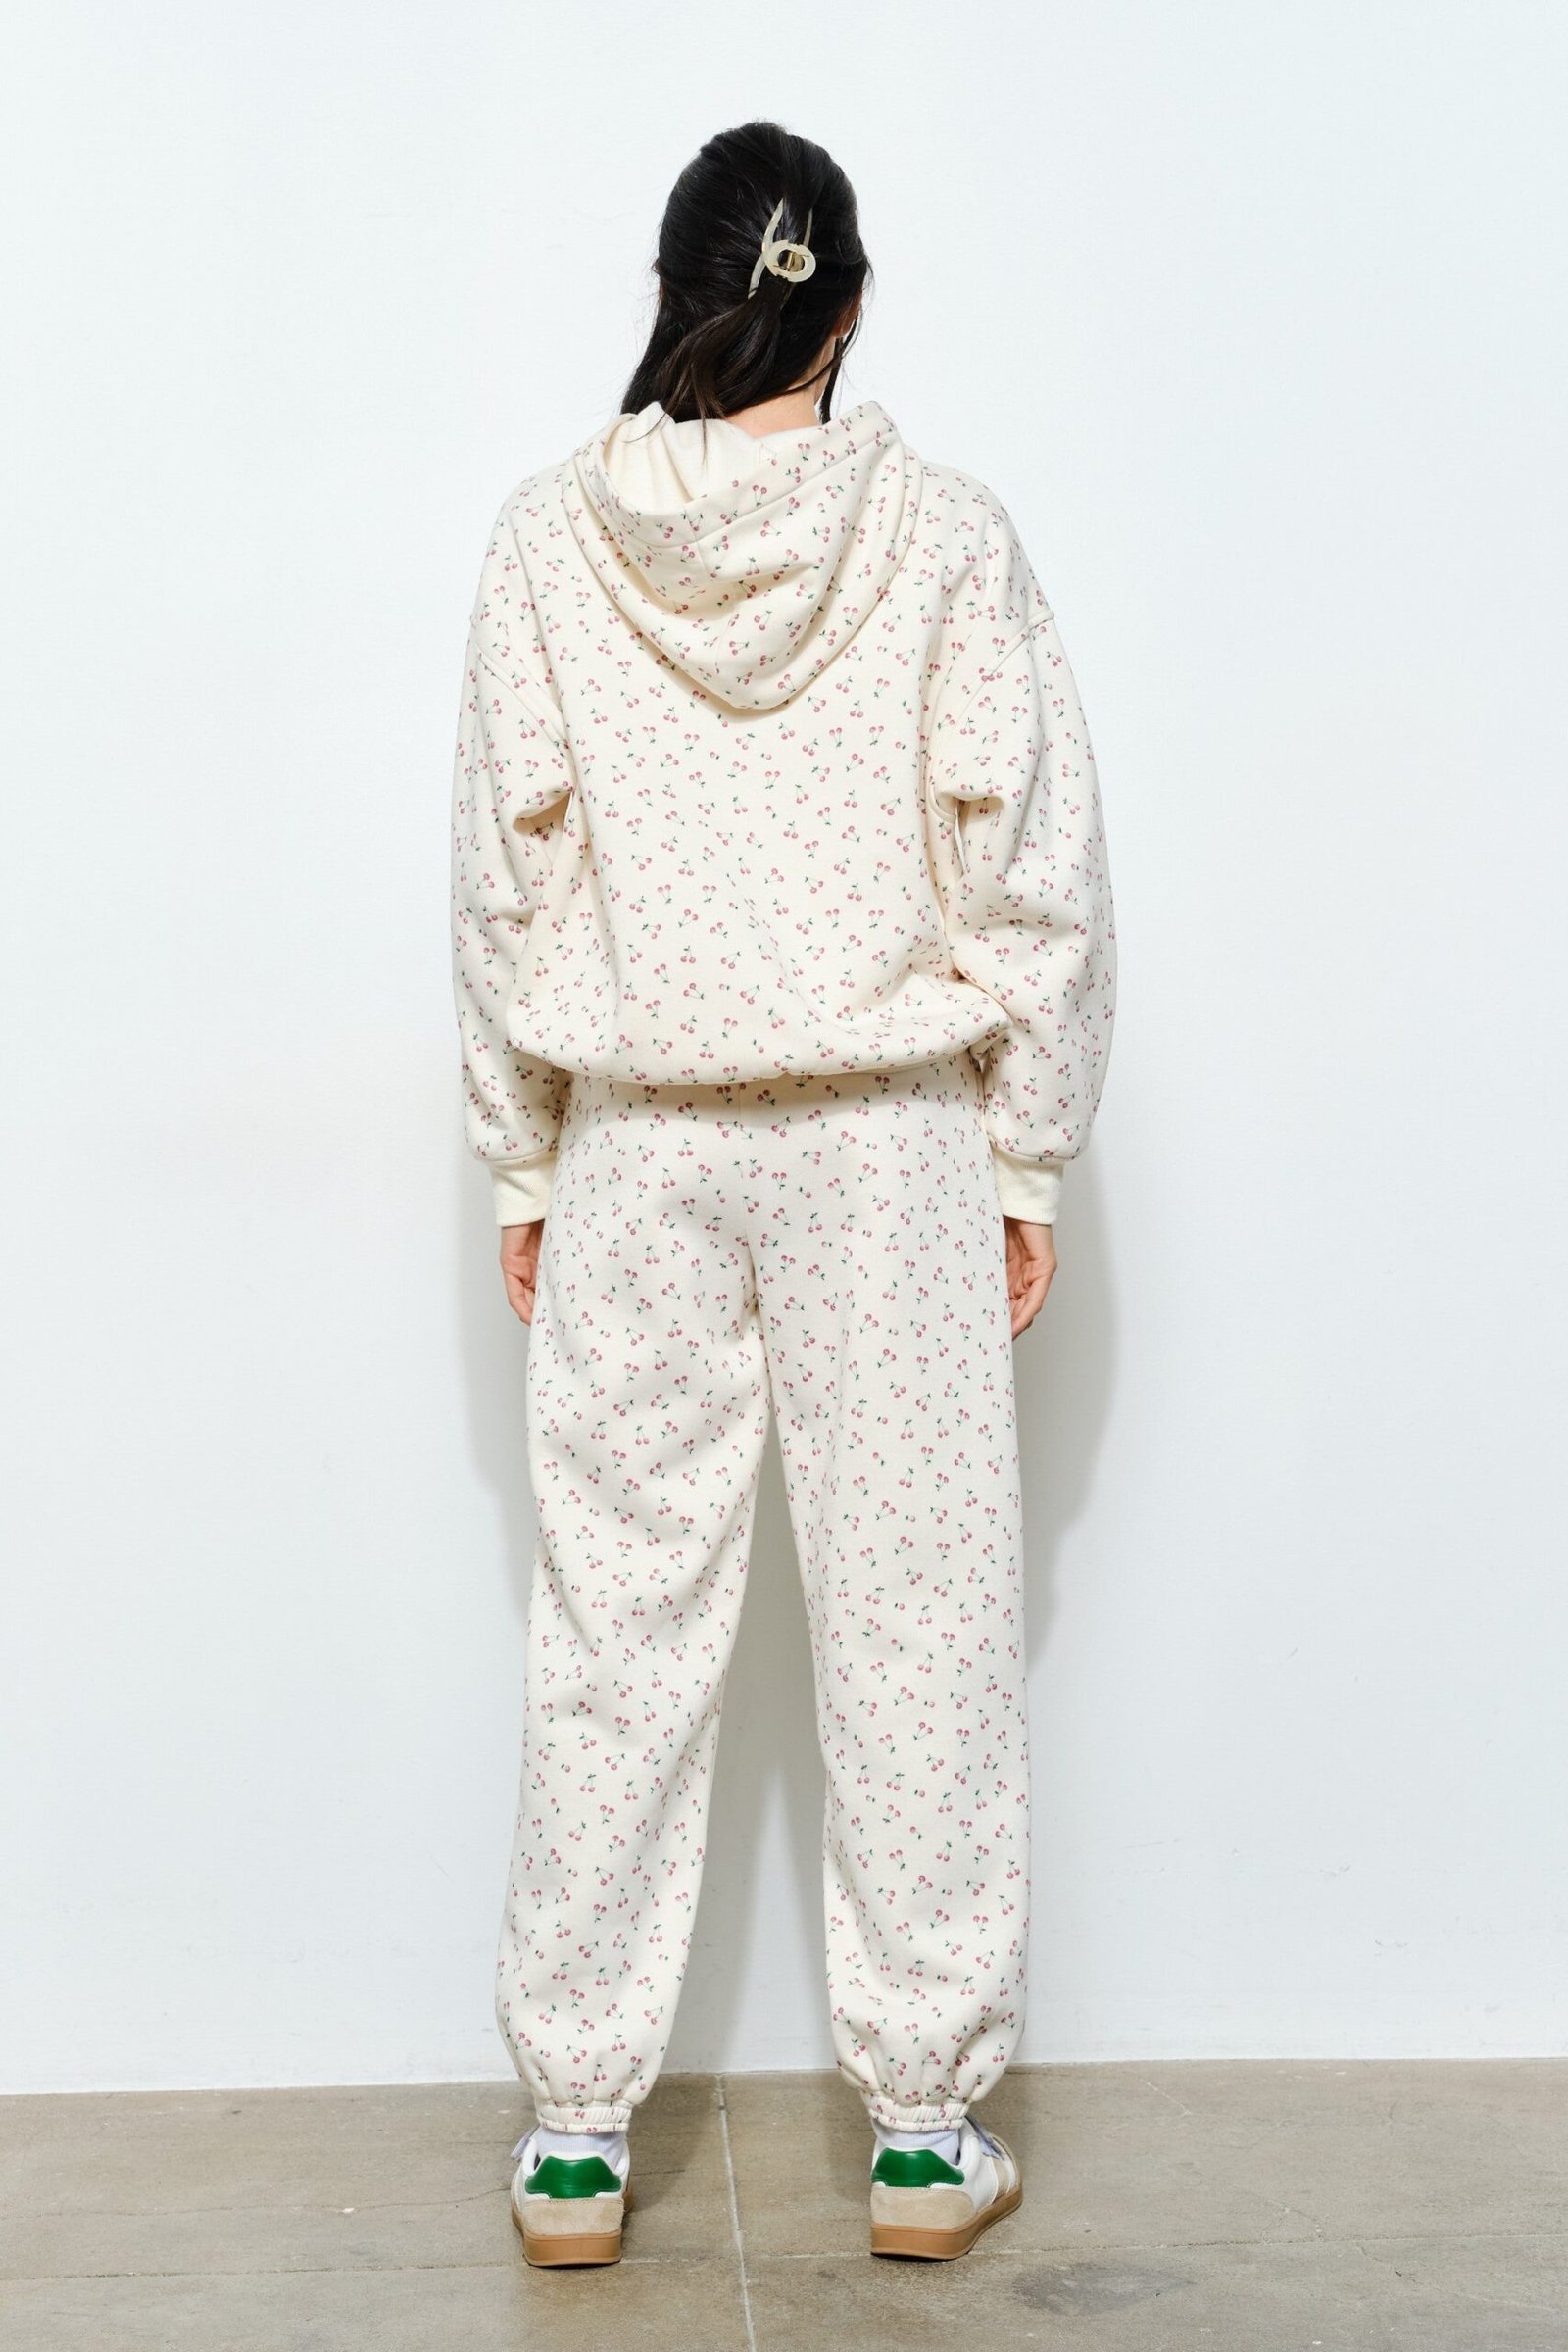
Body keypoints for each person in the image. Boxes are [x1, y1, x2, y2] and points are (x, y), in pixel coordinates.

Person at [449, 119, 1116, 2268]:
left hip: (640, 1148)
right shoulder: (943, 534)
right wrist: (1025, 1145)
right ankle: (921, 2135)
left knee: (613, 1628)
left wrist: (525, 1146)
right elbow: (1031, 867)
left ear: (677, 296)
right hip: (884, 1147)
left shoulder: (548, 543)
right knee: (918, 1623)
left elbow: (502, 875)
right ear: (847, 306)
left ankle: (573, 2138)